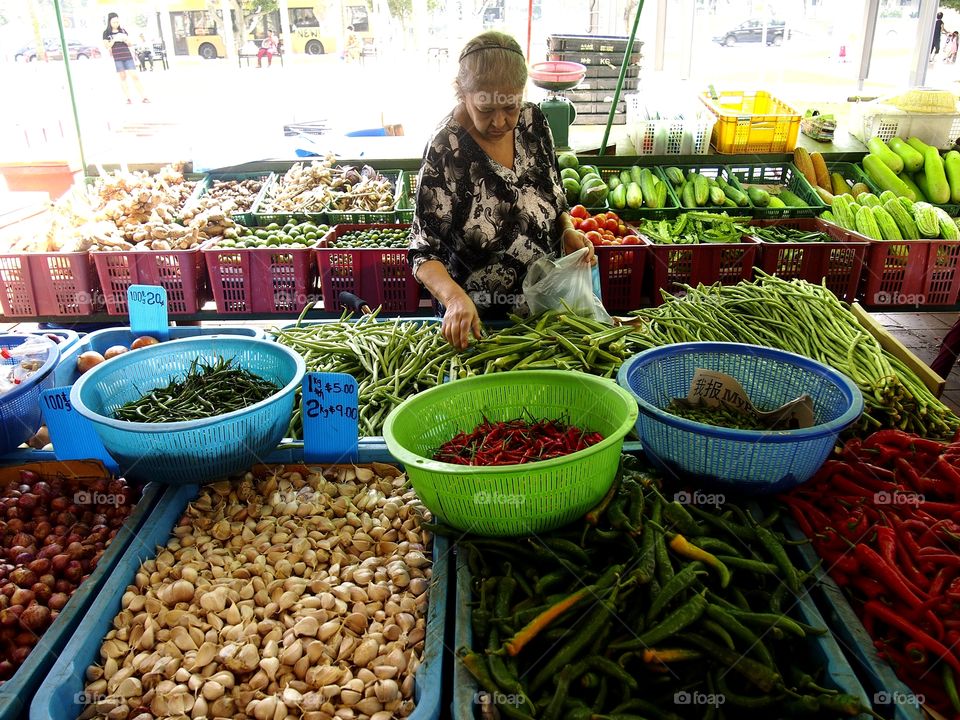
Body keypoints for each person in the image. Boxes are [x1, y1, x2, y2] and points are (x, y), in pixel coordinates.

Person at [408, 31, 595, 350]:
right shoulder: (445, 149)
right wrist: (454, 300)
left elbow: (554, 196)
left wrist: (567, 231)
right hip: (479, 328)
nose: (500, 121)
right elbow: (423, 252)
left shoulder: (533, 121)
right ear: (462, 93)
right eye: (485, 109)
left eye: (510, 106)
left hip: (547, 318)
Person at [102, 13, 149, 103]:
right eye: (114, 22)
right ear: (109, 22)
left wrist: (126, 40)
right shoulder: (106, 33)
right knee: (123, 77)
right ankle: (128, 98)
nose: (116, 23)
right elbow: (107, 45)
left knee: (134, 75)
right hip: (117, 57)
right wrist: (115, 39)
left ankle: (144, 97)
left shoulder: (123, 30)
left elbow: (130, 44)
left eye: (117, 21)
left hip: (127, 55)